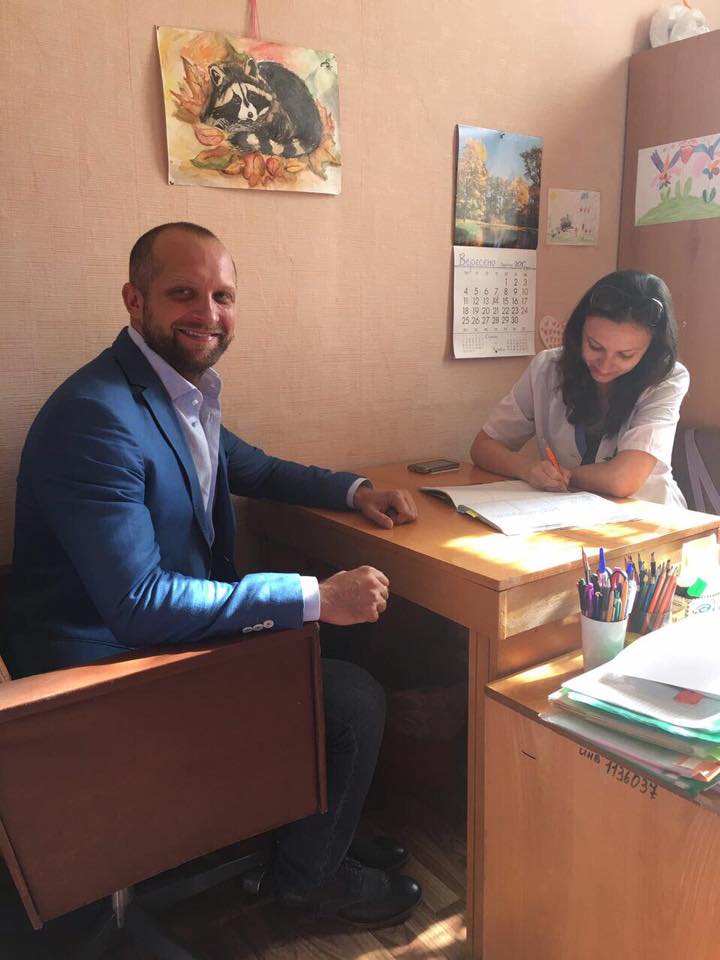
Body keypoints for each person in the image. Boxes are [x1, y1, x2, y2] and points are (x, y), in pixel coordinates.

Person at [6, 222, 422, 926]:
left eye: (222, 296)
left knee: (343, 641)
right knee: (352, 699)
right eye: (183, 294)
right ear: (134, 299)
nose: (208, 313)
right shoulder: (97, 417)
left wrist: (355, 491)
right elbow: (139, 602)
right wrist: (315, 594)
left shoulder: (170, 394)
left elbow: (256, 468)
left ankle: (317, 837)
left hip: (151, 637)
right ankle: (305, 887)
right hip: (108, 671)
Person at [470, 270, 689, 506]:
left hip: (648, 515)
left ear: (649, 352)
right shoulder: (547, 368)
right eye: (595, 346)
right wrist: (528, 469)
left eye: (625, 355)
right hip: (564, 512)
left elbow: (623, 480)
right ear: (578, 332)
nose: (605, 365)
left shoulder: (666, 381)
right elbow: (484, 446)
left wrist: (564, 476)